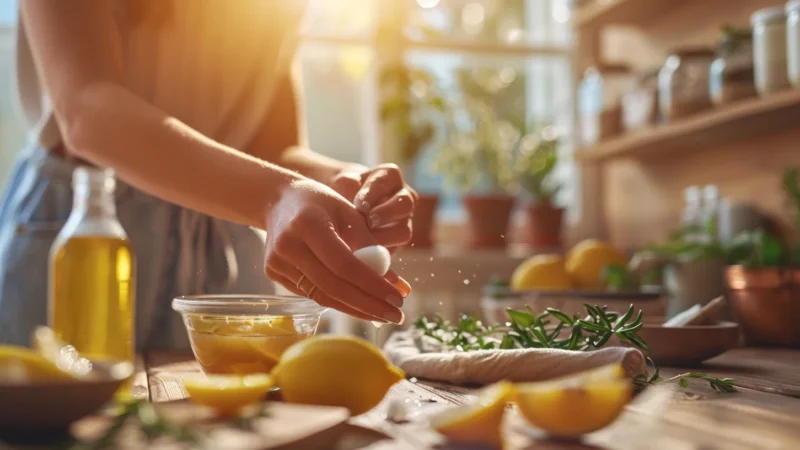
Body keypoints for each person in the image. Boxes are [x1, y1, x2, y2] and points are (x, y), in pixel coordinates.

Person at [0, 1, 416, 349]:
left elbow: (272, 147)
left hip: (221, 243)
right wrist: (274, 198)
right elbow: (87, 112)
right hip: (84, 226)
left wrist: (338, 180)